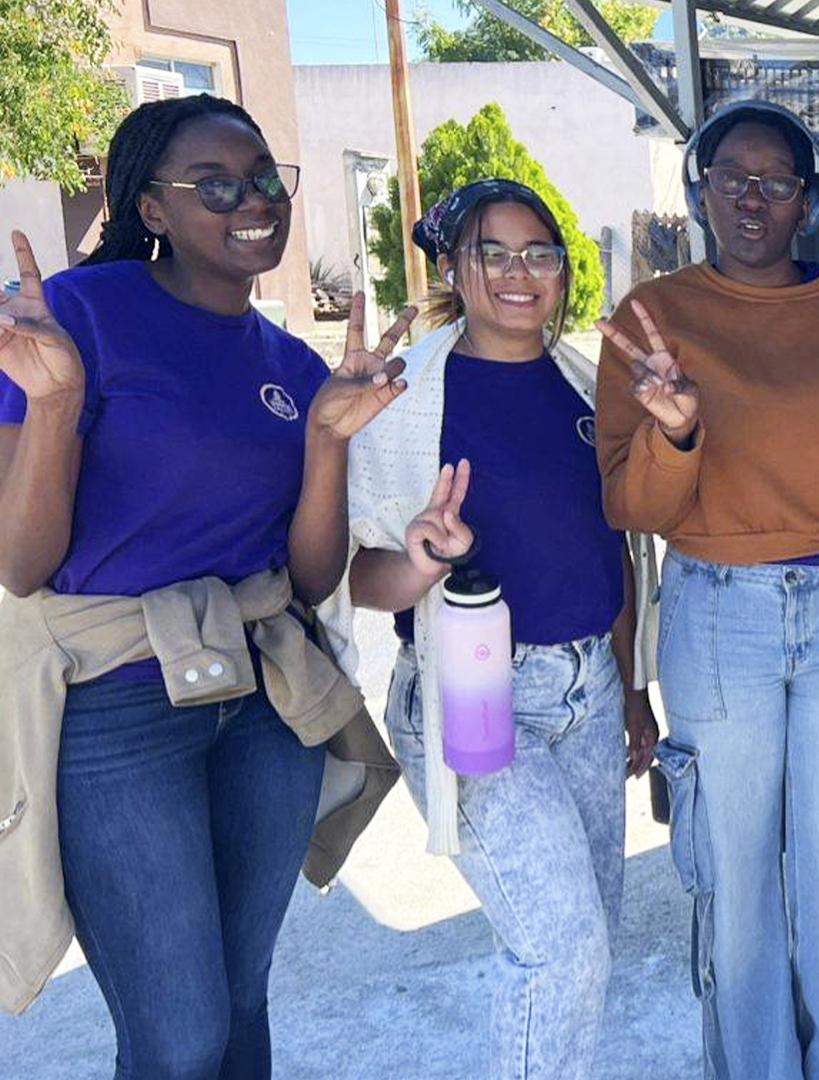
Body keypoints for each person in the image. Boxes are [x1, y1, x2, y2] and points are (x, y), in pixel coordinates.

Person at [0, 95, 408, 1075]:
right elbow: (20, 565)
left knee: (238, 1000)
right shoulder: (79, 317)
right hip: (116, 706)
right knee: (178, 1033)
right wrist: (54, 405)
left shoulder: (289, 361)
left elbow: (311, 578)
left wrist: (323, 439)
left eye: (265, 177)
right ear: (153, 209)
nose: (253, 200)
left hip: (263, 703)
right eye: (215, 185)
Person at [595, 100, 819, 1079]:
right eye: (730, 179)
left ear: (810, 201)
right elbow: (629, 506)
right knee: (737, 894)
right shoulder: (651, 319)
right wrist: (674, 434)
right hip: (718, 616)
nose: (752, 198)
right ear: (698, 191)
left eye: (776, 182)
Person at [339, 179, 658, 1079]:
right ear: (453, 265)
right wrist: (423, 563)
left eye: (541, 253)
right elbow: (340, 575)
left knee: (591, 929)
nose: (521, 273)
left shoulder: (583, 386)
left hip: (590, 688)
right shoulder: (405, 400)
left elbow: (616, 553)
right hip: (473, 693)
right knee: (559, 945)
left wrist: (632, 691)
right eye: (494, 252)